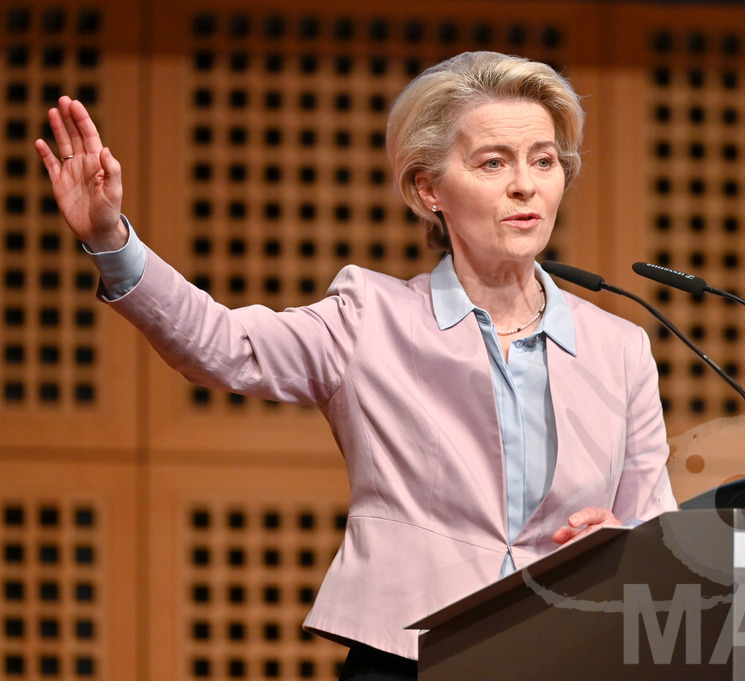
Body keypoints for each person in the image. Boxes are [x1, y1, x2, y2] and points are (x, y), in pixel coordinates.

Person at [36, 51, 676, 680]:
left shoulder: (619, 347)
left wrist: (625, 542)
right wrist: (110, 240)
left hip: (567, 653)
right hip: (408, 655)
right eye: (493, 162)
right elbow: (223, 344)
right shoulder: (371, 317)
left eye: (544, 161)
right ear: (429, 189)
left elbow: (656, 526)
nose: (525, 185)